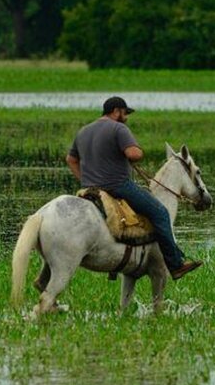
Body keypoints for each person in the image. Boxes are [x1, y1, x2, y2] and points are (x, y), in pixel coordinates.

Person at [66, 96, 202, 280]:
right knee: (160, 213)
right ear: (116, 111)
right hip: (118, 186)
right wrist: (135, 152)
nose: (126, 117)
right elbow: (134, 153)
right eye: (125, 113)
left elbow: (71, 160)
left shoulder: (83, 131)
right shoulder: (119, 128)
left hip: (90, 189)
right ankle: (176, 264)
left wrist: (85, 180)